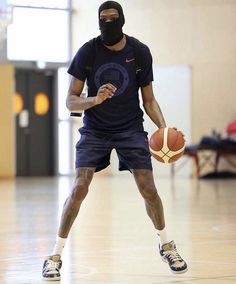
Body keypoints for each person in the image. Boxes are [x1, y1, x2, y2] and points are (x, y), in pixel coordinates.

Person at [42, 1, 187, 281]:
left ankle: (167, 245)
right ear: (98, 22)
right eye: (103, 19)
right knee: (79, 188)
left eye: (113, 18)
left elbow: (149, 100)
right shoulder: (88, 51)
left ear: (122, 20)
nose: (108, 23)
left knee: (148, 188)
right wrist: (95, 99)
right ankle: (55, 255)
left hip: (130, 128)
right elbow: (70, 99)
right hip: (95, 130)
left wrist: (164, 130)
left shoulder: (140, 52)